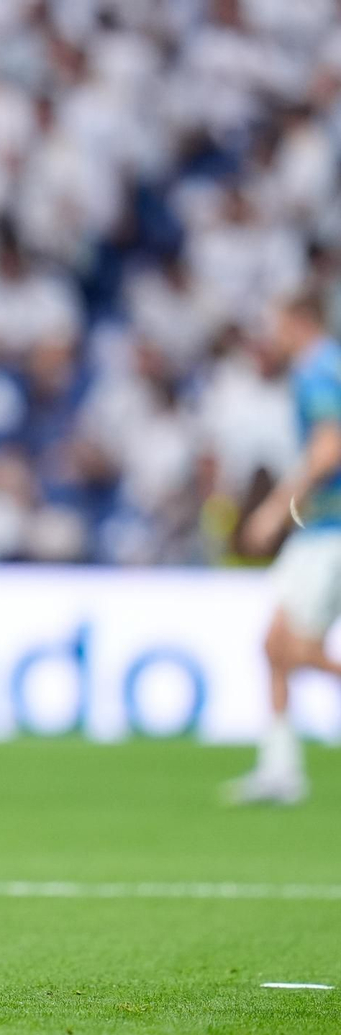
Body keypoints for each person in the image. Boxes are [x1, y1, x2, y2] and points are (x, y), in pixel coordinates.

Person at [233, 289, 341, 805]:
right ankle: (281, 769)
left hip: (326, 531)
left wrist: (278, 509)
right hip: (320, 532)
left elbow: (328, 448)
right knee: (274, 646)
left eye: (276, 323)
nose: (271, 335)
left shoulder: (317, 370)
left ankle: (281, 768)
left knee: (296, 650)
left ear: (299, 320)